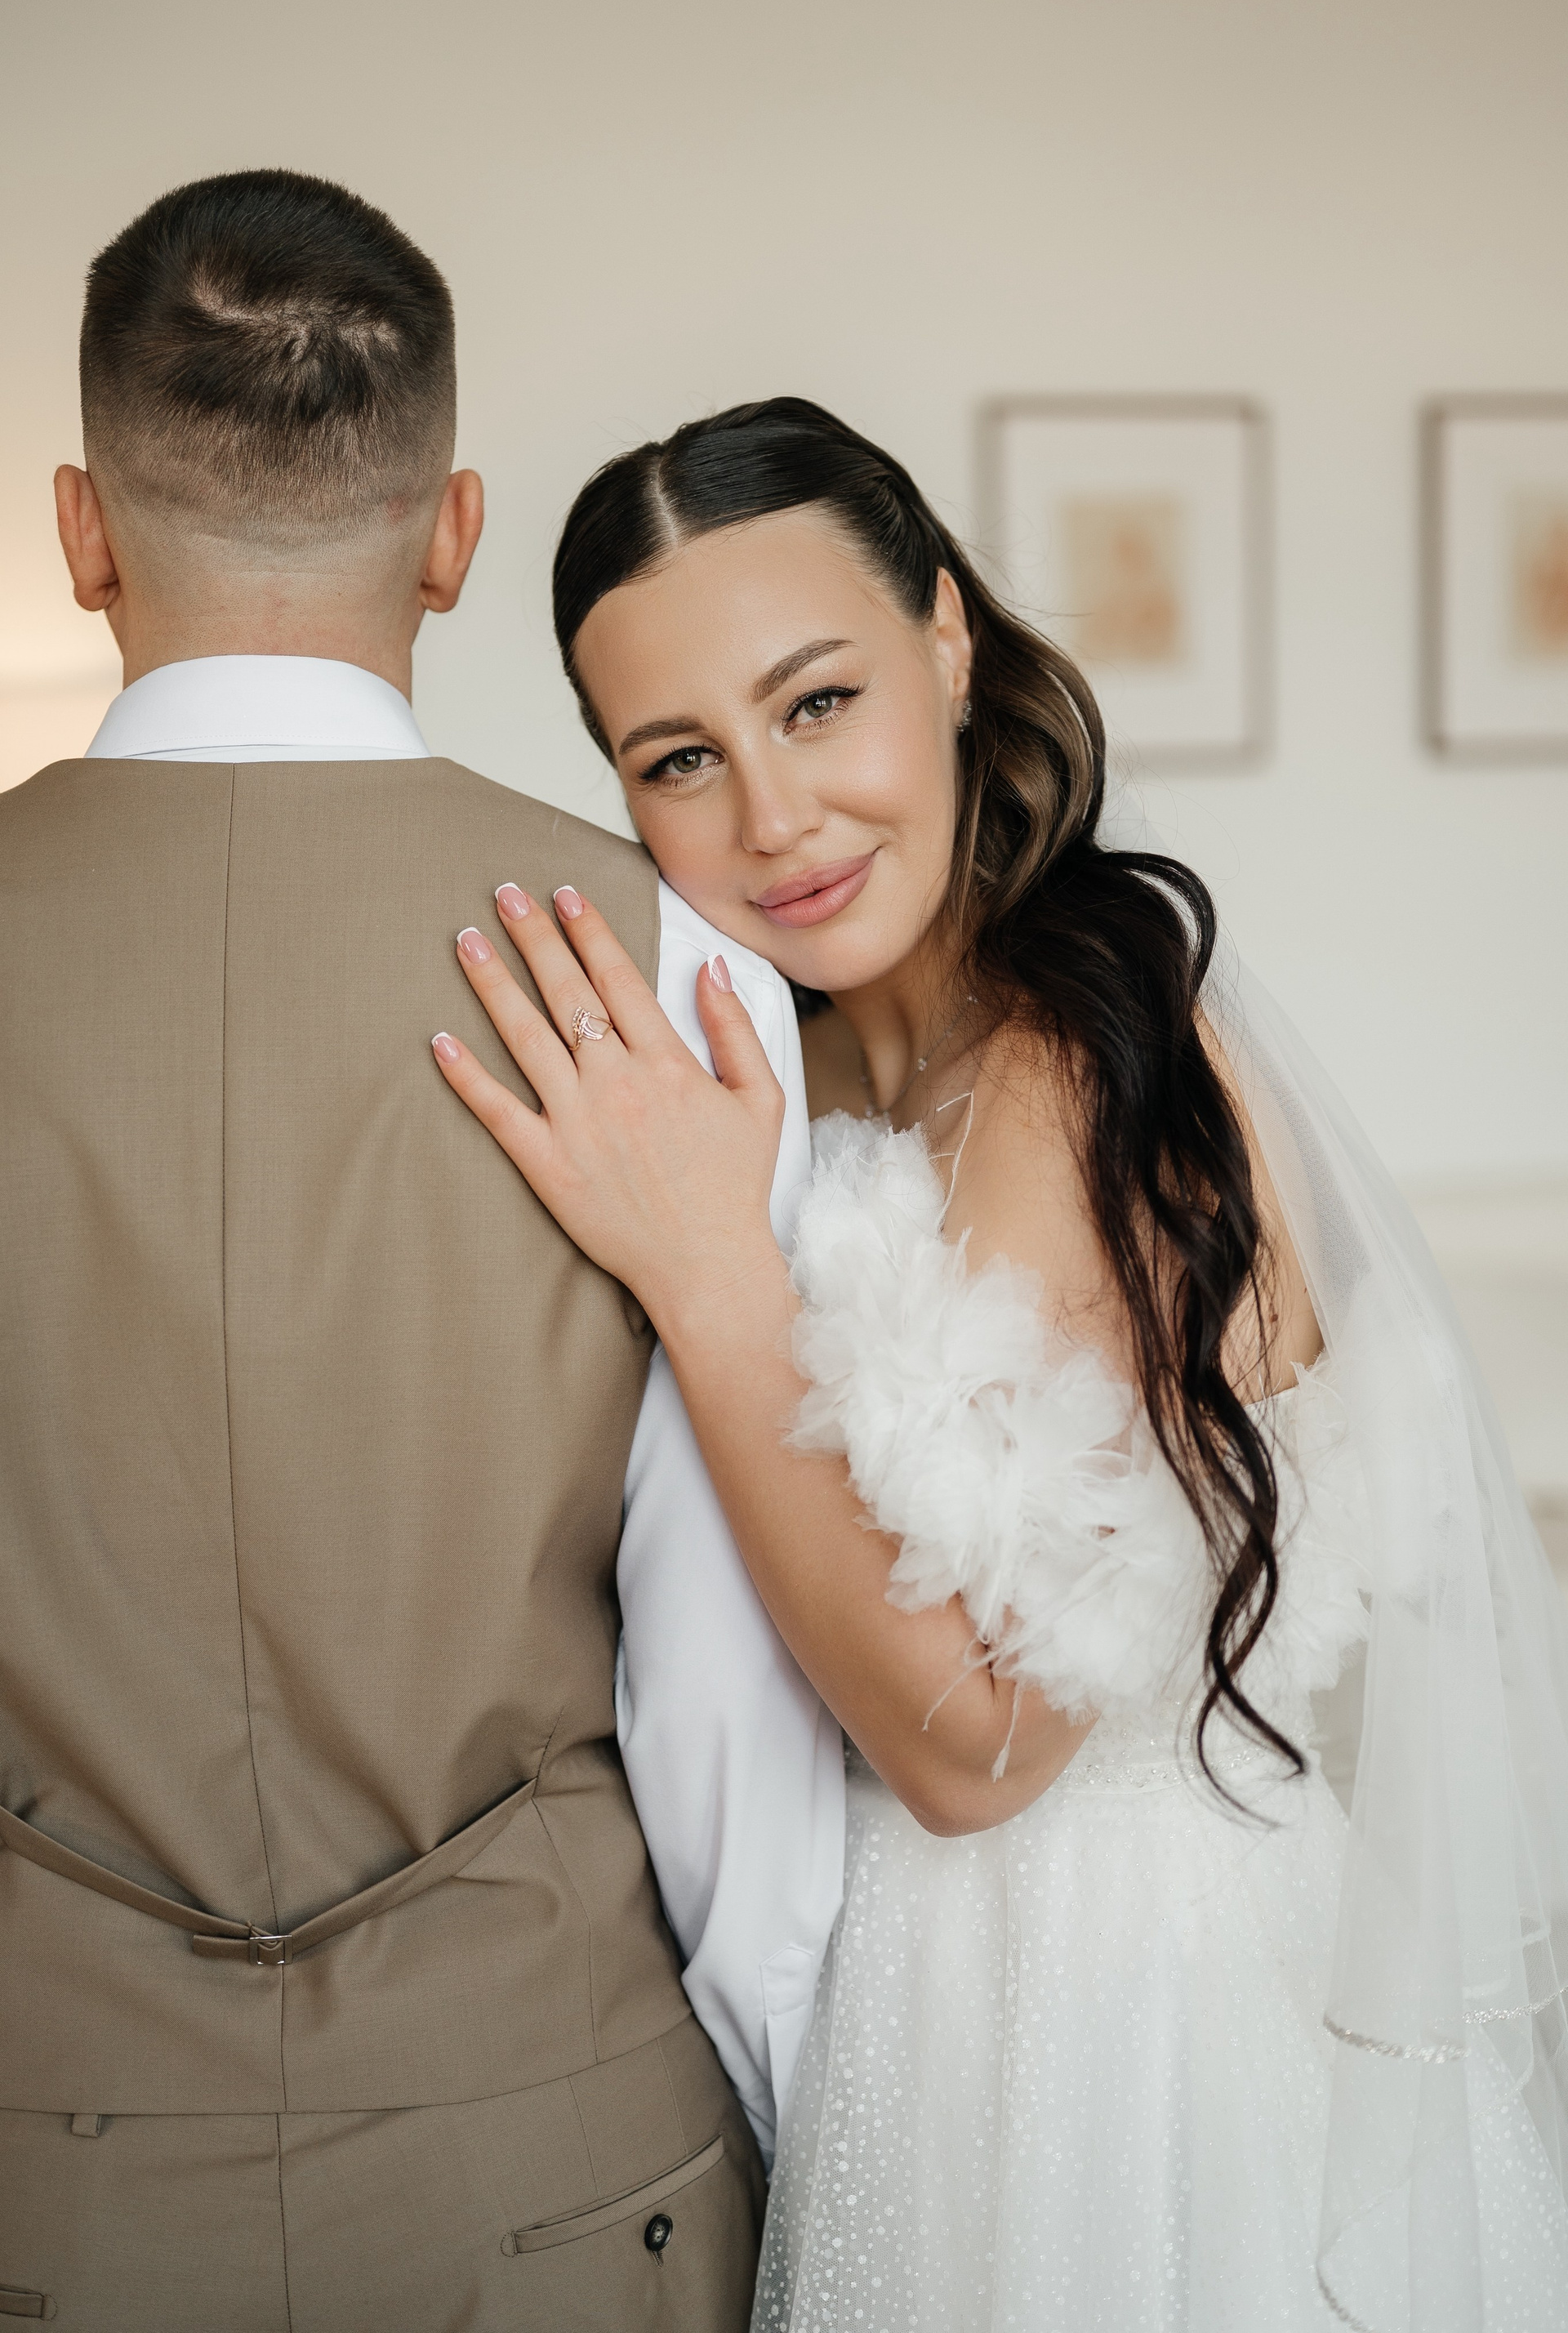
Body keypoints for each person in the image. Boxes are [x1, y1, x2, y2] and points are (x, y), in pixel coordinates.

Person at [434, 397, 1568, 2331]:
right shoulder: (796, 1079)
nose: (774, 818)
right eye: (681, 757)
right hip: (904, 2006)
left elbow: (981, 1746)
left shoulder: (1083, 1060)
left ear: (948, 644)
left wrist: (710, 1278)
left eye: (818, 702)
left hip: (1129, 2019)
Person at [0, 180, 844, 2331]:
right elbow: (724, 1698)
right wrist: (816, 2156)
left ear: (85, 530)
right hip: (556, 2155)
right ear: (454, 535)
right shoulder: (670, 973)